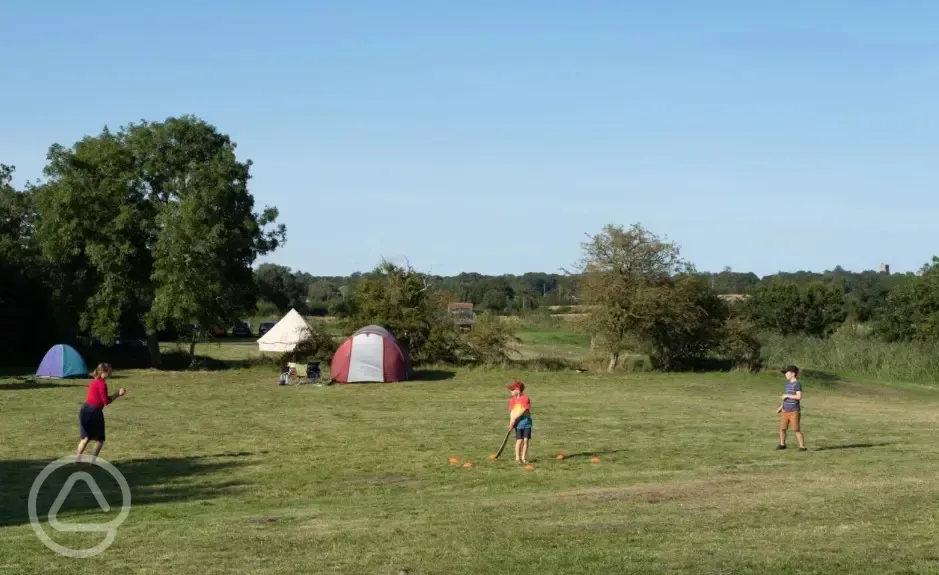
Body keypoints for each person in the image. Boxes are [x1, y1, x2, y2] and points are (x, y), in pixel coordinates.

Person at [77, 363, 126, 463]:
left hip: (85, 410)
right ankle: (92, 462)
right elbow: (106, 401)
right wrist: (118, 394)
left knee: (85, 438)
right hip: (94, 412)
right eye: (110, 371)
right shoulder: (102, 384)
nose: (111, 373)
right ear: (103, 372)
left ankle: (77, 460)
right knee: (100, 439)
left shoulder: (94, 381)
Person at [776, 365, 806, 451]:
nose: (785, 374)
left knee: (796, 429)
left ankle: (802, 447)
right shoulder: (787, 384)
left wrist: (787, 395)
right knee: (782, 428)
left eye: (786, 372)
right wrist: (781, 407)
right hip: (785, 411)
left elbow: (799, 397)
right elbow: (786, 399)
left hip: (794, 411)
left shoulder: (797, 384)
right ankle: (782, 444)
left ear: (793, 374)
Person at [507, 380, 533, 464]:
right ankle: (517, 458)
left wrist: (514, 419)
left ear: (517, 390)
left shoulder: (525, 399)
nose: (510, 391)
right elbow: (512, 412)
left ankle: (523, 458)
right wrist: (511, 422)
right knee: (519, 440)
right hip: (518, 424)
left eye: (512, 389)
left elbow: (522, 410)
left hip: (526, 423)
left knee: (525, 440)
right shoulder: (512, 400)